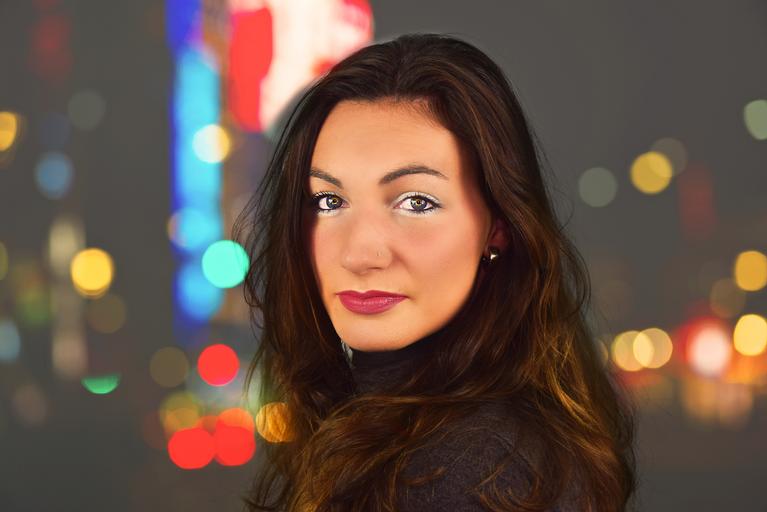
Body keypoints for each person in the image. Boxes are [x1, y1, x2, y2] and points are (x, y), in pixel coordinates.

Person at [233, 32, 638, 512]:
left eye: (416, 202)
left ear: (498, 226)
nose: (360, 254)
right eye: (329, 201)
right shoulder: (421, 439)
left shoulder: (467, 470)